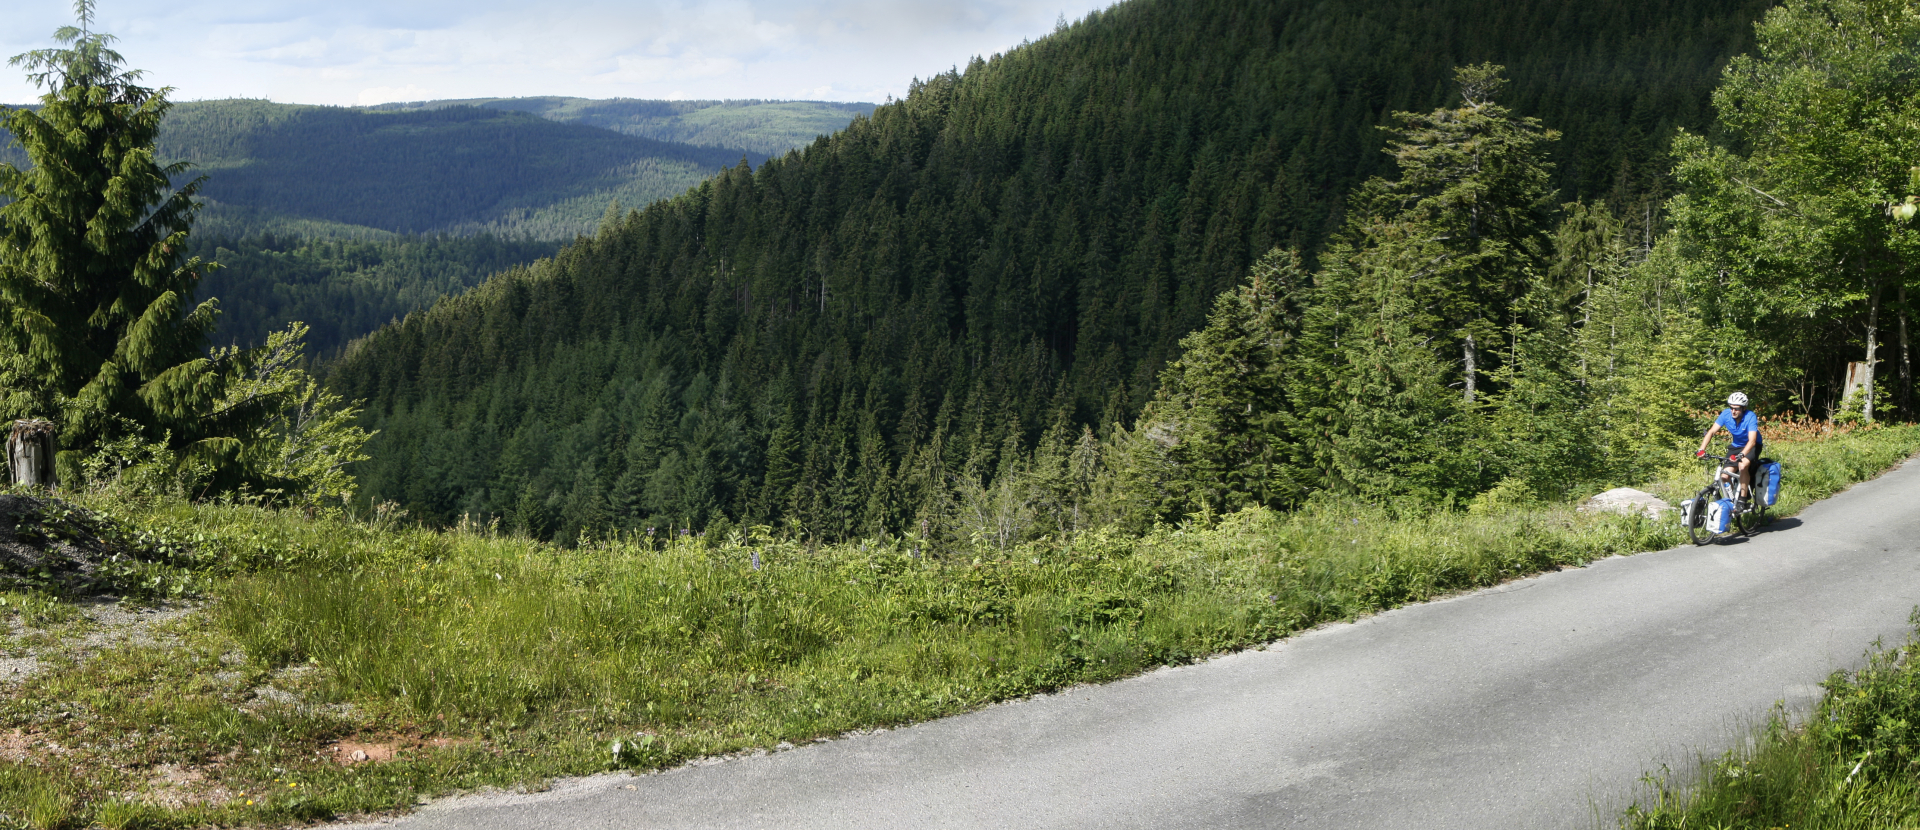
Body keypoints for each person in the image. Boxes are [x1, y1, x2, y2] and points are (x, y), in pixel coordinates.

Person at [1696, 392, 1764, 507]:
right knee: (1725, 476)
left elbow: (1752, 441)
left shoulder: (1750, 416)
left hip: (1752, 445)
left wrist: (1742, 454)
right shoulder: (1726, 414)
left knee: (1742, 466)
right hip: (1736, 446)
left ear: (1743, 408)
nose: (1733, 411)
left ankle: (1742, 499)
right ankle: (1732, 501)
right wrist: (1701, 449)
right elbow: (1711, 432)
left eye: (1736, 409)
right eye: (1731, 408)